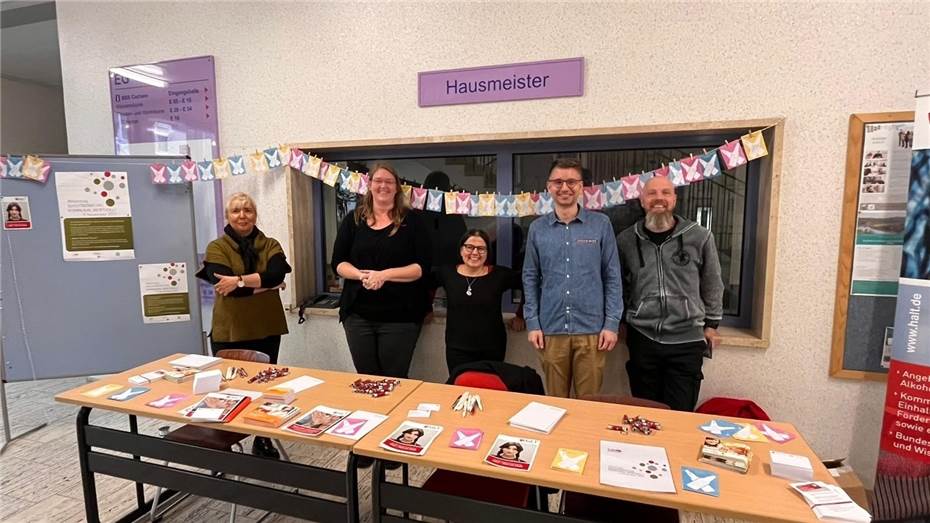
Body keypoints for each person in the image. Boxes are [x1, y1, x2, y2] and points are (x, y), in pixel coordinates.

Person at [616, 175, 724, 412]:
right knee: (644, 414)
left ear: (674, 199)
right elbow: (619, 285)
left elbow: (712, 282)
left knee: (680, 414)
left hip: (687, 339)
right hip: (643, 338)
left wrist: (712, 323)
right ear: (642, 200)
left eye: (665, 193)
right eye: (652, 193)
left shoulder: (700, 237)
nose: (659, 199)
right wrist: (622, 320)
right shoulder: (625, 240)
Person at [195, 192, 291, 457]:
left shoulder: (270, 244)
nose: (242, 215)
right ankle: (226, 439)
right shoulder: (217, 247)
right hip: (230, 330)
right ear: (228, 216)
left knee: (265, 389)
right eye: (236, 211)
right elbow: (229, 290)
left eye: (248, 210)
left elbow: (276, 273)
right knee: (231, 388)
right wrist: (267, 286)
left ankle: (262, 438)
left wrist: (238, 280)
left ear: (255, 215)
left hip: (266, 328)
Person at [523, 158, 622, 398]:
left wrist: (611, 324)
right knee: (555, 402)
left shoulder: (601, 225)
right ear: (548, 186)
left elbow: (612, 275)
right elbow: (530, 277)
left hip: (592, 330)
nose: (564, 187)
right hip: (551, 330)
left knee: (589, 403)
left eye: (571, 181)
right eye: (558, 181)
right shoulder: (537, 228)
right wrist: (533, 322)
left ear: (581, 186)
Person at [331, 162, 431, 379]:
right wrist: (361, 275)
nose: (383, 186)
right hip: (358, 316)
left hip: (400, 317)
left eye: (389, 182)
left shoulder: (412, 221)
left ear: (397, 188)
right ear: (369, 185)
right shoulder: (354, 220)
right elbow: (338, 263)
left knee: (394, 380)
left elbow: (421, 267)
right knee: (366, 379)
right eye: (378, 181)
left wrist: (384, 275)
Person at [431, 229, 525, 375]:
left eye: (481, 248)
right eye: (469, 247)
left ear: (488, 252)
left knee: (490, 390)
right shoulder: (447, 273)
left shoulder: (500, 275)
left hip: (492, 347)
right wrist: (427, 309)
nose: (475, 253)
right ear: (461, 250)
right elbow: (424, 286)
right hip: (457, 348)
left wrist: (521, 314)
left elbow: (529, 285)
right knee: (460, 388)